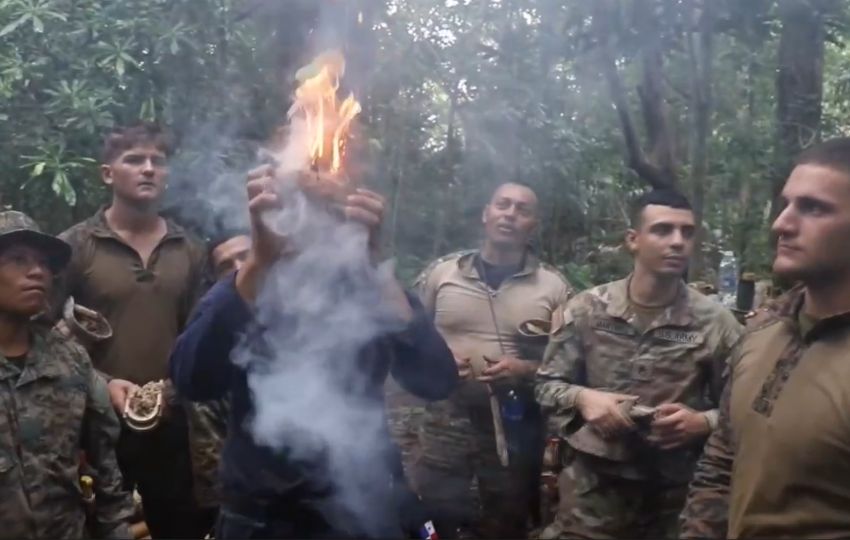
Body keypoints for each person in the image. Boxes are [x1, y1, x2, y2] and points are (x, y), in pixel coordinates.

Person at [169, 165, 459, 539]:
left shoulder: (366, 289)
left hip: (362, 508)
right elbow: (191, 379)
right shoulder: (240, 296)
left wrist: (373, 263)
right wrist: (259, 261)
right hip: (264, 517)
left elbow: (437, 380)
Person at [535, 189, 742, 539]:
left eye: (687, 232)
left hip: (674, 501)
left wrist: (702, 422)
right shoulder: (586, 309)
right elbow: (544, 386)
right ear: (633, 240)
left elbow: (748, 407)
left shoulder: (716, 323)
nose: (677, 242)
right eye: (663, 230)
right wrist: (584, 399)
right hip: (591, 498)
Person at [680, 138, 850, 538]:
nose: (781, 224)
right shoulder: (762, 329)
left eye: (813, 208)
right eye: (786, 204)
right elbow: (723, 462)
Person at [58, 123, 208, 538]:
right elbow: (47, 333)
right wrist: (100, 385)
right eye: (134, 160)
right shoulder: (76, 245)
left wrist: (170, 392)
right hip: (96, 421)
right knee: (99, 524)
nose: (148, 170)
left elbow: (199, 336)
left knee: (181, 525)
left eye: (157, 162)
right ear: (108, 173)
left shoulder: (190, 249)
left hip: (172, 420)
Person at [411, 182, 572, 538]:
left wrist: (525, 371)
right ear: (486, 213)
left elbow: (569, 364)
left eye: (522, 209)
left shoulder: (554, 287)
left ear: (534, 224)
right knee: (433, 518)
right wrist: (439, 357)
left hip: (516, 431)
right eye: (503, 205)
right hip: (444, 422)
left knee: (506, 523)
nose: (510, 214)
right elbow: (409, 333)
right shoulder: (443, 273)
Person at [0, 211, 134, 539]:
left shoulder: (71, 360)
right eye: (18, 260)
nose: (38, 272)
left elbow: (106, 470)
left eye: (45, 264)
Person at [184, 229, 250, 533]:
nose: (239, 267)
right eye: (226, 264)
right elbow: (209, 455)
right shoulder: (213, 344)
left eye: (247, 256)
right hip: (250, 511)